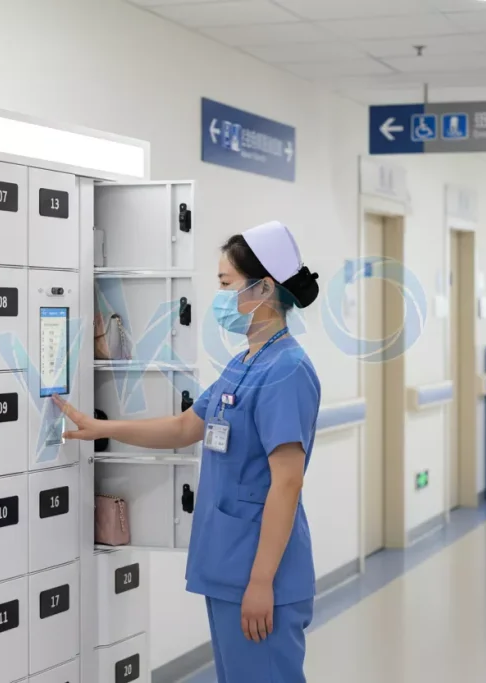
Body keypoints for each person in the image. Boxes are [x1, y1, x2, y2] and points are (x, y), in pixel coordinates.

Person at [56, 220, 321, 682]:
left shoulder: (287, 370)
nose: (220, 297)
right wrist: (101, 427)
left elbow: (287, 483)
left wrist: (261, 582)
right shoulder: (245, 362)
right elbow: (185, 427)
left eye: (226, 284)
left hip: (262, 574)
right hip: (229, 565)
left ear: (263, 288)